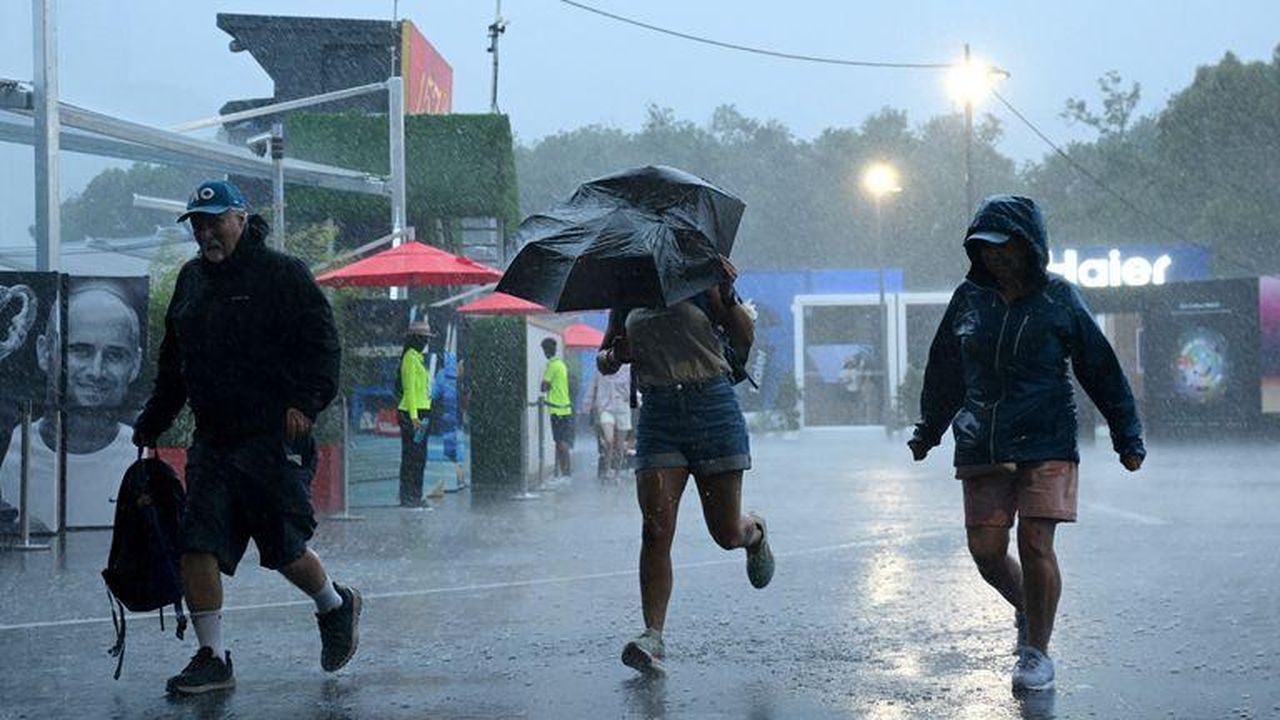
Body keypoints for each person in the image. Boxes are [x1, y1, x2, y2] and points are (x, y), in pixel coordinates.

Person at [909, 194, 1145, 692]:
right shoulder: (967, 299)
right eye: (984, 247)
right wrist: (928, 429)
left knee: (1035, 543)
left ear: (1028, 245)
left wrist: (1128, 434)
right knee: (986, 552)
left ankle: (1037, 651)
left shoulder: (1060, 298)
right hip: (982, 441)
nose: (995, 256)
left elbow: (1099, 367)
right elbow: (945, 371)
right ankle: (1028, 609)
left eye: (1004, 246)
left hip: (1047, 439)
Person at [132, 180, 359, 695]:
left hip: (273, 436)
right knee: (198, 540)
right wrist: (153, 421)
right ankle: (212, 656)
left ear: (240, 218)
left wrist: (306, 401)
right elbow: (175, 363)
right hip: (213, 439)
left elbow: (322, 342)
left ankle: (336, 605)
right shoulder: (190, 282)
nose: (205, 232)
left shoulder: (281, 274)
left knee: (283, 548)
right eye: (197, 222)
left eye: (214, 220)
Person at [598, 256, 775, 676]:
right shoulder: (627, 288)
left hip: (711, 407)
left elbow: (744, 339)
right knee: (655, 528)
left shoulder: (700, 275)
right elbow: (604, 358)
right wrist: (616, 353)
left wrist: (728, 296)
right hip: (659, 414)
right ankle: (652, 636)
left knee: (725, 533)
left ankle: (755, 533)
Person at [0, 280, 143, 529]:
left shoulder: (144, 460)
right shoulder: (8, 450)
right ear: (45, 352)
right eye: (80, 351)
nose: (96, 371)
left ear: (136, 364)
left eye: (114, 355)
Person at [397, 319, 436, 508]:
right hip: (412, 414)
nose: (425, 342)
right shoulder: (410, 358)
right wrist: (414, 417)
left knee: (419, 456)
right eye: (422, 339)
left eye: (426, 339)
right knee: (412, 456)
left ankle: (416, 494)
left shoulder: (419, 359)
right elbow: (409, 390)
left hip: (422, 412)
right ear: (414, 339)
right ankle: (408, 496)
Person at [430, 352, 467, 492]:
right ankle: (459, 479)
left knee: (451, 450)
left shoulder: (442, 374)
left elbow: (433, 394)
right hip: (454, 418)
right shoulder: (458, 377)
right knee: (458, 451)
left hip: (446, 417)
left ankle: (453, 480)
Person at [588, 360, 632, 481]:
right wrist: (588, 404)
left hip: (622, 408)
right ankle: (608, 470)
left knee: (620, 446)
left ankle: (617, 472)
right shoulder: (601, 366)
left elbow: (633, 388)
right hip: (605, 408)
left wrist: (636, 399)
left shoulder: (628, 368)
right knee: (609, 440)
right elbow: (593, 386)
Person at [540, 337, 573, 480]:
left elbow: (544, 386)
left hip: (557, 408)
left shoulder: (552, 365)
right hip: (565, 407)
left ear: (547, 350)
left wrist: (546, 385)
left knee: (560, 441)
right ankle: (563, 471)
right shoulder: (561, 364)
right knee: (561, 439)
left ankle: (566, 472)